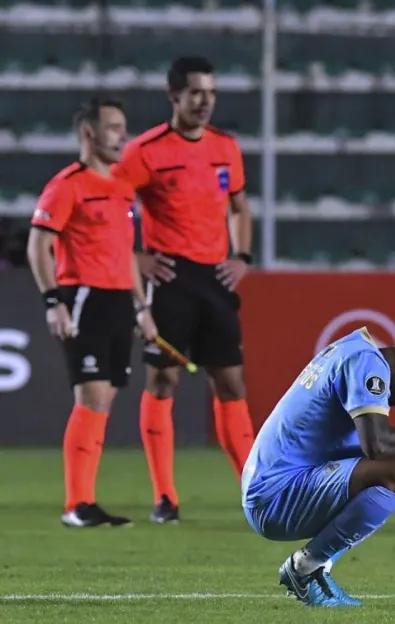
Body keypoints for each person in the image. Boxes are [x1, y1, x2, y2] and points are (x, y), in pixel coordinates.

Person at [115, 56, 255, 524]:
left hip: (214, 277)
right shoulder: (146, 150)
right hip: (170, 278)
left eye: (210, 93)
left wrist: (243, 256)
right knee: (164, 380)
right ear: (174, 96)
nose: (204, 101)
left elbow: (239, 206)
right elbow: (115, 207)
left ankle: (254, 488)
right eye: (195, 92)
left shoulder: (226, 148)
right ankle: (165, 496)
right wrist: (134, 257)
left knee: (231, 382)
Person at [241, 328, 395, 607]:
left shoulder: (355, 350)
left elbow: (367, 445)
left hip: (272, 486)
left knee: (390, 471)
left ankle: (315, 568)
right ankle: (306, 569)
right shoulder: (367, 364)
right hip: (274, 495)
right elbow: (378, 446)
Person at [26, 96, 158, 527]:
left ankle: (85, 500)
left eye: (124, 126)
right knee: (92, 394)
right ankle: (76, 504)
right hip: (83, 297)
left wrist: (142, 308)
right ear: (89, 133)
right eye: (114, 127)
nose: (123, 136)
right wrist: (54, 301)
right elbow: (38, 244)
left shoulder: (122, 187)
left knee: (106, 397)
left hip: (121, 300)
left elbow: (126, 254)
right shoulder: (67, 185)